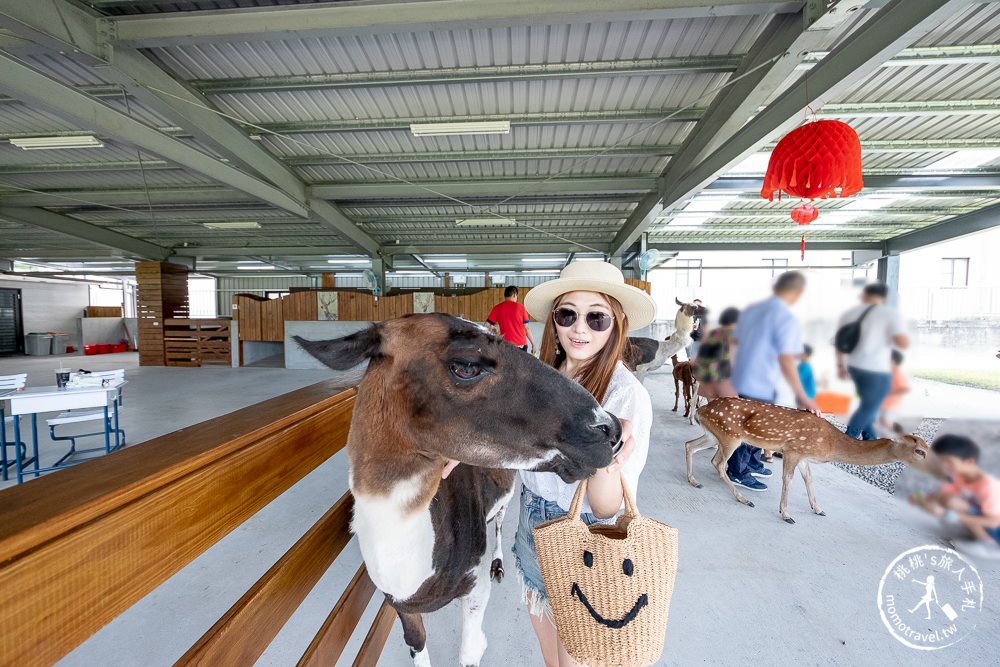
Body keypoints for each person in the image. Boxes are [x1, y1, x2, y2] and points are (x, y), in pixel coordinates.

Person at [515, 260, 655, 667]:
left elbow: (607, 508)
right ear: (554, 320)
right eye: (567, 315)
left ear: (617, 323)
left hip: (585, 539)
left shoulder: (624, 396)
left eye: (597, 318)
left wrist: (603, 448)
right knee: (552, 657)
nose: (580, 328)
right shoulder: (545, 377)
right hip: (531, 526)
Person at [728, 271, 819, 491]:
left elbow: (734, 343)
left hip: (743, 376)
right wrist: (803, 396)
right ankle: (737, 471)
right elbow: (787, 359)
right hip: (762, 381)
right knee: (754, 428)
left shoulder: (752, 310)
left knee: (754, 425)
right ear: (797, 292)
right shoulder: (785, 318)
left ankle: (752, 462)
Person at [836, 282, 908, 440]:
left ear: (864, 295)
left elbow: (840, 343)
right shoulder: (889, 314)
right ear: (884, 297)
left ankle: (870, 439)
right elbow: (903, 343)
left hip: (854, 367)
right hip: (877, 368)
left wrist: (841, 366)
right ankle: (848, 440)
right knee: (870, 406)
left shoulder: (850, 314)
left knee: (868, 404)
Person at [918, 434, 1000, 561]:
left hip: (996, 528)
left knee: (955, 506)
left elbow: (994, 521)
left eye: (949, 462)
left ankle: (989, 545)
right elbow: (943, 494)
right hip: (981, 517)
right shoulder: (961, 476)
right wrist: (927, 500)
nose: (945, 467)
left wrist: (953, 516)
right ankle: (971, 533)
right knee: (949, 500)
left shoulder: (989, 486)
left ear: (969, 462)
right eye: (941, 462)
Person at [693, 306, 739, 401]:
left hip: (707, 381)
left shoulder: (713, 334)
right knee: (729, 412)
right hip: (725, 381)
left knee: (712, 411)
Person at [486, 285, 537, 353]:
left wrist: (493, 331)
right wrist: (533, 344)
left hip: (504, 345)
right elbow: (526, 328)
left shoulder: (497, 308)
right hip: (521, 345)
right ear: (514, 295)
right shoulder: (520, 307)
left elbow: (486, 325)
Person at [877, 349, 910, 435]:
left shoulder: (897, 373)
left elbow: (905, 389)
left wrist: (889, 393)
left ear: (893, 361)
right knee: (882, 424)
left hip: (891, 406)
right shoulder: (890, 372)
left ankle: (903, 437)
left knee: (886, 424)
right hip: (885, 404)